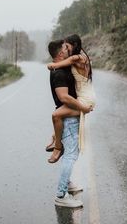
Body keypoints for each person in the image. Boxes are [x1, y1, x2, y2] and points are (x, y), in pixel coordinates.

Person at [48, 39, 92, 207]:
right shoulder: (59, 73)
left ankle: (67, 183)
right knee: (71, 155)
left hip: (70, 116)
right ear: (60, 53)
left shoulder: (63, 67)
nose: (68, 50)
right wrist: (83, 107)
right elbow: (63, 97)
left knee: (71, 153)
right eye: (65, 49)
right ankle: (61, 194)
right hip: (69, 118)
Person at [46, 34, 96, 163]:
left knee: (56, 115)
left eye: (67, 47)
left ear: (73, 46)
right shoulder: (76, 58)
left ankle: (58, 147)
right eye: (64, 48)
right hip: (82, 97)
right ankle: (55, 138)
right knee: (60, 113)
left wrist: (52, 65)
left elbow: (63, 62)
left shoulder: (78, 58)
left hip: (86, 99)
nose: (66, 49)